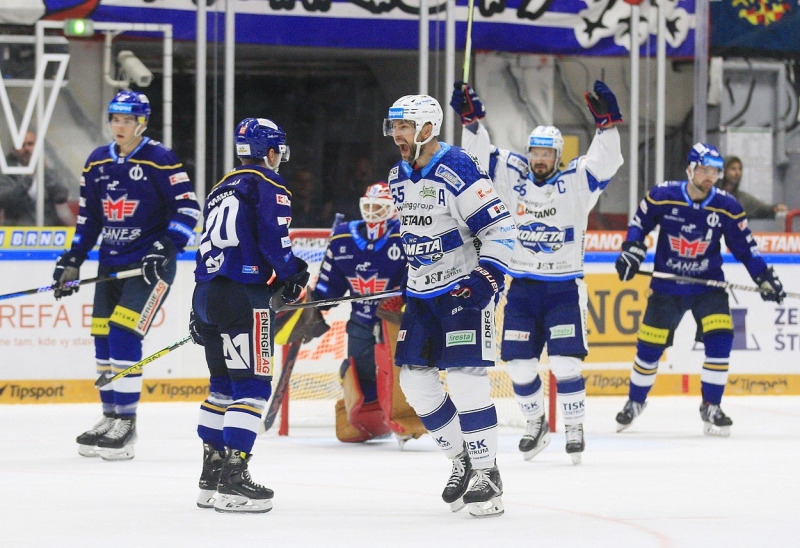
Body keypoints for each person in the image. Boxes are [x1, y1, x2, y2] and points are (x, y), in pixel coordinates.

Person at [450, 80, 624, 464]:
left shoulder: (577, 182)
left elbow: (606, 161)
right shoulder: (512, 177)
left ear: (558, 155)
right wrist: (471, 123)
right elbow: (477, 157)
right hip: (523, 288)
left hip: (563, 288)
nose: (539, 159)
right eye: (535, 152)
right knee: (518, 364)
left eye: (547, 153)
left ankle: (575, 427)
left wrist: (607, 126)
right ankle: (536, 425)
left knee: (565, 364)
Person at [384, 94, 517, 518]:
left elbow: (500, 228)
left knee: (465, 380)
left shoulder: (457, 166)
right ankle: (462, 460)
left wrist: (489, 277)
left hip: (462, 292)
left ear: (427, 128)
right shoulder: (397, 177)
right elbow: (414, 234)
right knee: (415, 385)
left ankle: (487, 473)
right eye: (394, 126)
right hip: (422, 296)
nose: (397, 135)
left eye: (403, 126)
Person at [52, 90, 201, 460]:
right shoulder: (97, 162)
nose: (120, 127)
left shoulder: (159, 158)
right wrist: (72, 258)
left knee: (123, 332)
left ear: (142, 123)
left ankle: (127, 423)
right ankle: (109, 415)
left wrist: (166, 245)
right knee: (102, 337)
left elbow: (188, 209)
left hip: (150, 267)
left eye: (128, 120)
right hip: (111, 264)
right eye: (115, 120)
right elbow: (90, 219)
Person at [614, 143, 786, 436]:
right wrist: (632, 251)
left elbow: (745, 248)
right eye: (704, 170)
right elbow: (639, 226)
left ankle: (711, 405)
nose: (710, 177)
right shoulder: (663, 196)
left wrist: (764, 277)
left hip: (708, 286)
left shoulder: (726, 205)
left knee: (720, 340)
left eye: (714, 172)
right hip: (667, 286)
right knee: (649, 348)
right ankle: (636, 401)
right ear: (690, 169)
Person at [190, 117, 310, 513]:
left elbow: (207, 244)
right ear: (271, 151)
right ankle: (234, 481)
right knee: (253, 388)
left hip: (206, 294)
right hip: (243, 297)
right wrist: (294, 275)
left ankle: (211, 476)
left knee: (221, 387)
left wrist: (201, 306)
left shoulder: (220, 186)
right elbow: (275, 241)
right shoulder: (269, 184)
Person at [311, 182, 424, 444]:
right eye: (369, 206)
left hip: (395, 323)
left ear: (393, 210)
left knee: (402, 373)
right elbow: (331, 285)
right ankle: (372, 418)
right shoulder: (343, 238)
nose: (373, 212)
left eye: (380, 207)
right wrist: (316, 302)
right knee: (359, 372)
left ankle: (407, 416)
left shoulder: (408, 235)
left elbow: (419, 276)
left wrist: (406, 300)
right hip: (360, 320)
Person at [0, 130, 76, 226]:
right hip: (17, 233)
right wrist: (28, 179)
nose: (27, 148)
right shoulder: (7, 173)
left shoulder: (48, 172)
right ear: (14, 150)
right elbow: (5, 200)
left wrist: (46, 172)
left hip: (47, 232)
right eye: (22, 145)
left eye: (30, 144)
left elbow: (61, 196)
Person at [718, 156, 787, 220]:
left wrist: (776, 208)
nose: (737, 172)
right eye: (733, 169)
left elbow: (762, 209)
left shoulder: (742, 199)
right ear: (723, 171)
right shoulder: (711, 195)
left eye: (740, 169)